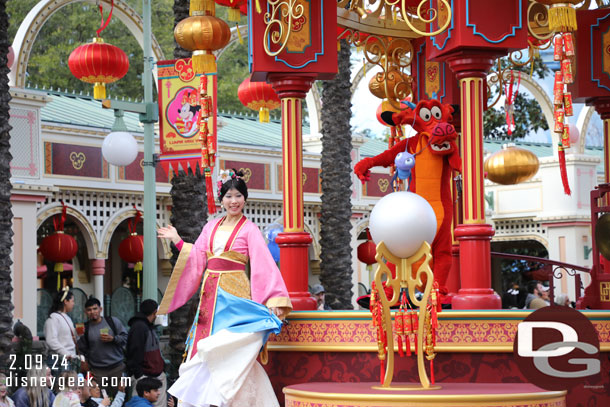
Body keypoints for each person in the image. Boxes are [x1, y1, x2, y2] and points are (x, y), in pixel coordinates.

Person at [157, 169, 292, 407]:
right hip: (209, 295)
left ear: (245, 199)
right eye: (229, 196)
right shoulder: (210, 227)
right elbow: (198, 257)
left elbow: (263, 265)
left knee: (230, 348)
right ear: (221, 200)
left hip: (234, 296)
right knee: (205, 345)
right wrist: (178, 240)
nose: (234, 201)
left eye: (238, 196)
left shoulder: (249, 229)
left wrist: (274, 299)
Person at [77, 298, 127, 398]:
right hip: (97, 371)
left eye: (95, 309)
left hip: (117, 368)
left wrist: (113, 339)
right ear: (85, 312)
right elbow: (80, 348)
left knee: (120, 397)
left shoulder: (113, 321)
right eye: (89, 310)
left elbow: (126, 338)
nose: (92, 312)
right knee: (99, 399)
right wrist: (83, 361)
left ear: (101, 309)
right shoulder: (82, 327)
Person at [125, 300, 165, 407]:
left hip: (150, 374)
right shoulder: (140, 327)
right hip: (145, 375)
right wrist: (139, 375)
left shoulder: (144, 326)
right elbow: (134, 352)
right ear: (155, 312)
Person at [44, 287, 78, 369]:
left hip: (69, 359)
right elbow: (51, 340)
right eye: (72, 301)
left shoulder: (67, 318)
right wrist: (65, 353)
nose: (74, 304)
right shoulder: (53, 319)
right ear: (65, 301)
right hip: (59, 360)